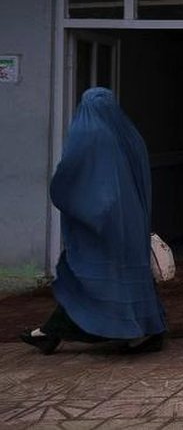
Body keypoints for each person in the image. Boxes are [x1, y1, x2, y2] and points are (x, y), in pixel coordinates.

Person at [21, 88, 167, 355]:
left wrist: (71, 198)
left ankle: (53, 332)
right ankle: (52, 332)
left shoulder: (90, 134)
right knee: (119, 278)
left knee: (90, 280)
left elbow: (73, 173)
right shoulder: (129, 135)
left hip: (99, 224)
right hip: (130, 223)